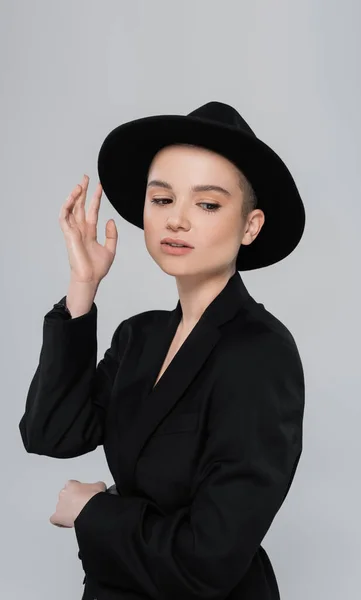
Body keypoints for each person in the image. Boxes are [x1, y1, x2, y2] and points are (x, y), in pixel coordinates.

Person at [19, 101, 306, 600]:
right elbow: (51, 432)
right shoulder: (139, 337)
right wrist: (82, 287)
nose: (177, 220)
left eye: (208, 204)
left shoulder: (262, 353)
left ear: (250, 226)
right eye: (162, 199)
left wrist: (93, 512)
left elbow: (209, 559)